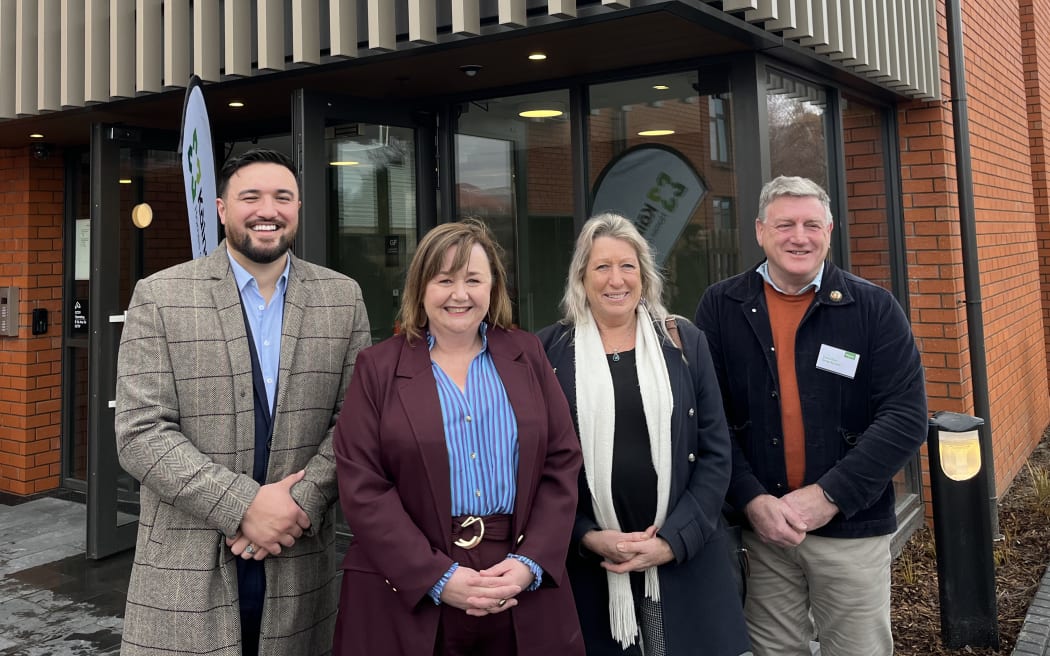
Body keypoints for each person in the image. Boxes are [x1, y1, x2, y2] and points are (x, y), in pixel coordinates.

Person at [115, 148, 371, 656]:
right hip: (187, 564)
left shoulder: (342, 298)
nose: (267, 210)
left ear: (299, 208)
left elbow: (357, 423)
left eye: (283, 197)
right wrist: (244, 507)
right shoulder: (161, 296)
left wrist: (297, 505)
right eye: (250, 196)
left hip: (298, 557)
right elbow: (141, 432)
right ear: (221, 208)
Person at [694, 175, 928, 656]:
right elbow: (706, 417)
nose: (798, 236)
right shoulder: (722, 307)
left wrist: (830, 495)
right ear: (760, 231)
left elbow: (905, 416)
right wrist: (752, 499)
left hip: (850, 529)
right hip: (764, 532)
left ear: (830, 230)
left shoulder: (874, 308)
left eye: (810, 224)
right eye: (784, 224)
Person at [332, 219, 585, 655]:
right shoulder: (377, 367)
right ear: (420, 288)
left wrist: (530, 563)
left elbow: (561, 462)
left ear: (493, 287)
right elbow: (362, 484)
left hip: (517, 578)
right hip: (408, 583)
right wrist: (436, 576)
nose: (459, 294)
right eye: (444, 280)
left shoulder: (528, 355)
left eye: (473, 279)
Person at [538, 213, 751, 656]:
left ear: (644, 274)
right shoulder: (548, 352)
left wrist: (672, 541)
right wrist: (585, 536)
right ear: (582, 276)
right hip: (593, 569)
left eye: (627, 266)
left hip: (684, 563)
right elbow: (538, 466)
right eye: (602, 267)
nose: (616, 280)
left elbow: (715, 451)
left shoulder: (683, 341)